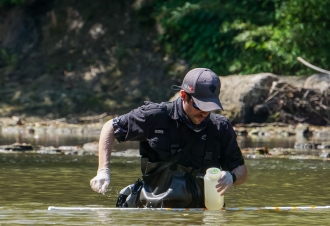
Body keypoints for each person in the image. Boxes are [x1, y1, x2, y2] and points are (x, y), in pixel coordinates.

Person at [90, 68, 247, 208]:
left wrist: (231, 177)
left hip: (203, 215)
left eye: (210, 107)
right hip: (154, 213)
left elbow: (242, 171)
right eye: (200, 106)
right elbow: (110, 127)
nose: (205, 113)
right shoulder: (155, 116)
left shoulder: (220, 127)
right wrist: (103, 170)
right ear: (184, 95)